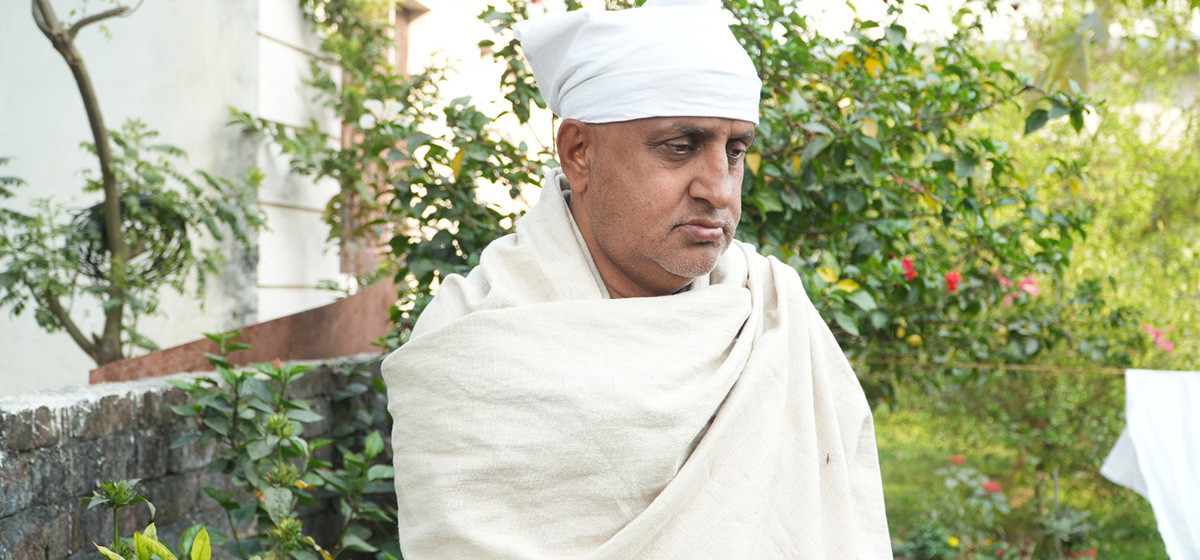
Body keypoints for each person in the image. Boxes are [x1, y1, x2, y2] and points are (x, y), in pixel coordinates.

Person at [381, 0, 892, 558]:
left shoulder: (771, 311)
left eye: (735, 151)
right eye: (680, 148)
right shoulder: (470, 345)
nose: (720, 190)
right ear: (578, 152)